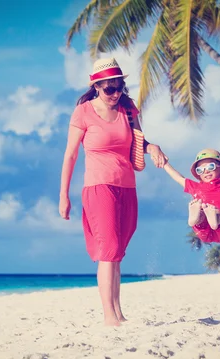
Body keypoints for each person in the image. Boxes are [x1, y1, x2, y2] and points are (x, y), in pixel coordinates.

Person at [59, 58, 168, 327]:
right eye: (109, 89)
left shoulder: (128, 109)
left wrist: (153, 147)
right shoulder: (83, 112)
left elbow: (140, 141)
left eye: (119, 87)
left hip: (127, 186)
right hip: (98, 187)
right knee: (108, 251)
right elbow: (71, 154)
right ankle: (109, 316)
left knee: (118, 252)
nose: (115, 94)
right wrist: (64, 196)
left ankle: (119, 313)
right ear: (96, 87)